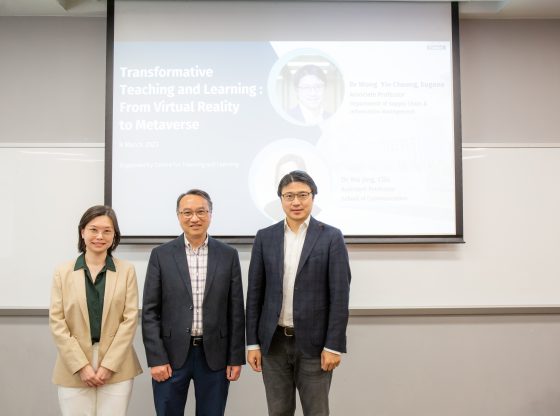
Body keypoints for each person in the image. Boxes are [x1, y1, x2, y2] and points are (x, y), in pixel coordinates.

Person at [246, 170, 351, 416]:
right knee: (278, 411)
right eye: (289, 196)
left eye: (303, 195)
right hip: (273, 344)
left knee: (316, 411)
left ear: (313, 197)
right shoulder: (265, 237)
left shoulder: (331, 237)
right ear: (280, 199)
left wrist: (333, 346)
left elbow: (340, 296)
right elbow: (254, 294)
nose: (296, 202)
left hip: (315, 345)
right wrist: (252, 343)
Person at [142, 189, 245, 416]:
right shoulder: (161, 255)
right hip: (171, 356)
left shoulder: (228, 255)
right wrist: (156, 358)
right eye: (187, 212)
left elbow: (236, 311)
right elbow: (150, 312)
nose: (194, 218)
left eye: (201, 211)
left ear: (210, 214)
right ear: (178, 216)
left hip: (215, 357)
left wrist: (235, 357)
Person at [49, 205, 142, 416]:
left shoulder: (127, 271)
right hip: (73, 366)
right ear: (82, 232)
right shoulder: (62, 272)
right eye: (93, 229)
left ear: (114, 236)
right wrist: (82, 366)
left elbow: (129, 320)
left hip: (117, 366)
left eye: (107, 231)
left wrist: (108, 365)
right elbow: (57, 322)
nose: (100, 236)